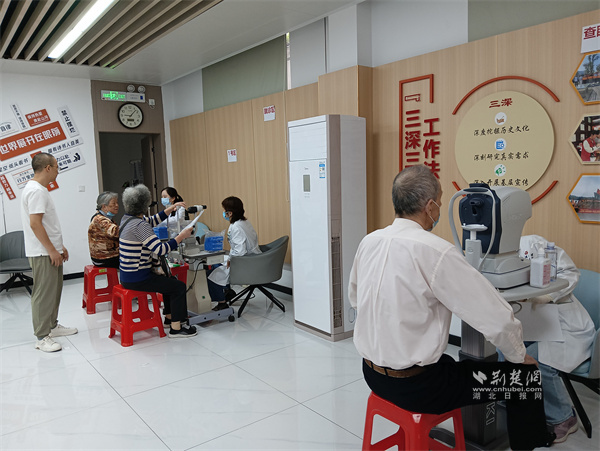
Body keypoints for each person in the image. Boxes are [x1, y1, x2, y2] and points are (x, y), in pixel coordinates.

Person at [348, 165, 555, 450]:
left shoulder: (369, 241)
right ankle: (532, 443)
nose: (440, 207)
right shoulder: (436, 251)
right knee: (525, 378)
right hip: (419, 388)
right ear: (430, 206)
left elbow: (356, 299)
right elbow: (495, 318)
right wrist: (519, 356)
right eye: (440, 200)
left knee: (452, 364)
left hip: (372, 375)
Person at [515, 235, 595, 443]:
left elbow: (571, 273)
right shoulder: (490, 256)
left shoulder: (533, 243)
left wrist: (548, 295)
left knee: (535, 359)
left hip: (569, 327)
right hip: (537, 321)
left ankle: (564, 418)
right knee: (505, 350)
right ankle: (511, 403)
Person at [119, 183, 196, 338]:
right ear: (145, 204)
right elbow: (161, 249)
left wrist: (170, 209)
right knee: (178, 287)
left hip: (127, 275)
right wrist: (181, 236)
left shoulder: (127, 220)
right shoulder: (140, 225)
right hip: (139, 277)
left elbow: (152, 220)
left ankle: (169, 318)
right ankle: (176, 328)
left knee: (169, 280)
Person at [20, 153, 78, 352]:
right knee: (43, 294)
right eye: (56, 167)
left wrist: (59, 247)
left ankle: (52, 326)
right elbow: (35, 224)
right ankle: (41, 336)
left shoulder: (39, 189)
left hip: (49, 250)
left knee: (54, 291)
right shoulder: (36, 191)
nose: (57, 171)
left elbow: (47, 224)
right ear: (47, 168)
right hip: (42, 252)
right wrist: (52, 250)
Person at [206, 196, 261, 311]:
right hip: (253, 259)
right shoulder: (244, 222)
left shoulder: (236, 227)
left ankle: (222, 303)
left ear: (230, 213)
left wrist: (230, 260)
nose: (223, 213)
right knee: (217, 263)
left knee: (211, 273)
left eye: (224, 210)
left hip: (245, 262)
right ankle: (227, 291)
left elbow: (240, 251)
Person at [88, 191, 120, 268]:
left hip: (105, 256)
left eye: (117, 203)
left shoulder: (105, 218)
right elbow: (115, 232)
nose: (117, 205)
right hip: (104, 258)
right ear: (104, 206)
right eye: (113, 203)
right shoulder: (100, 219)